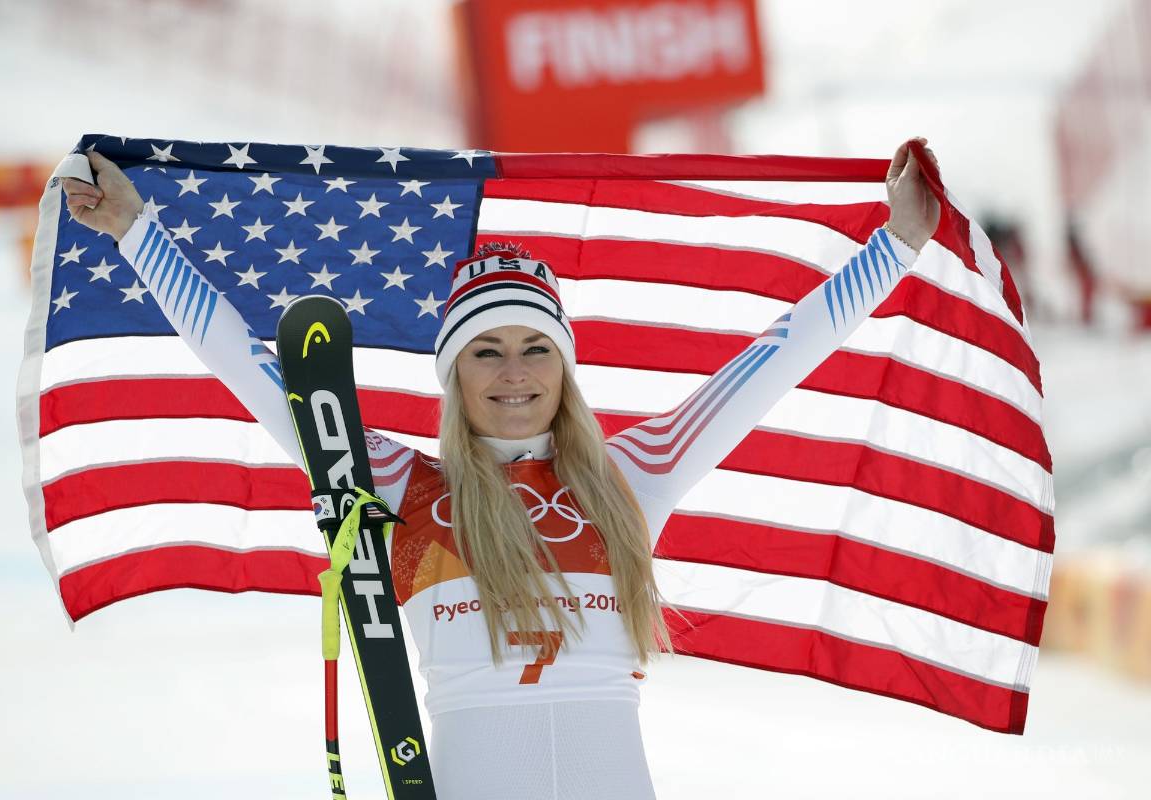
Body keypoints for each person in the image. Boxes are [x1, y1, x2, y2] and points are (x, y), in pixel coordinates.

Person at [60, 138, 940, 799]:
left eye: (535, 348)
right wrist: (135, 231)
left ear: (564, 367)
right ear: (453, 374)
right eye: (486, 351)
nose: (514, 373)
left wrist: (896, 245)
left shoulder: (637, 472)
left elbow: (776, 359)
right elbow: (257, 371)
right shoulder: (401, 487)